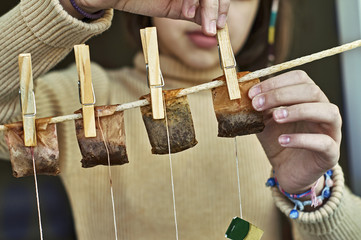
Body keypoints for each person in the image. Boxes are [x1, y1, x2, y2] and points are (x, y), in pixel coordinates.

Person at [0, 0, 360, 239]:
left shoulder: (280, 113)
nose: (209, 9)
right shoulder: (85, 100)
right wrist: (74, 3)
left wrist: (310, 193)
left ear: (270, 9)